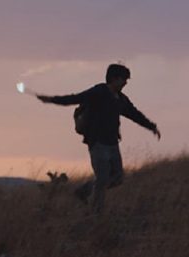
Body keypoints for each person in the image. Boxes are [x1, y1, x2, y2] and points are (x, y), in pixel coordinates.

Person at [36, 63, 160, 213]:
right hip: (97, 143)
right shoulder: (99, 92)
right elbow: (76, 98)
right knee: (102, 179)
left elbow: (134, 114)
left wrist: (151, 126)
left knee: (117, 178)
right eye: (123, 79)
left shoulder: (121, 99)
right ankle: (96, 213)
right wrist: (51, 99)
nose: (126, 83)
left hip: (113, 143)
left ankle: (83, 191)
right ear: (114, 79)